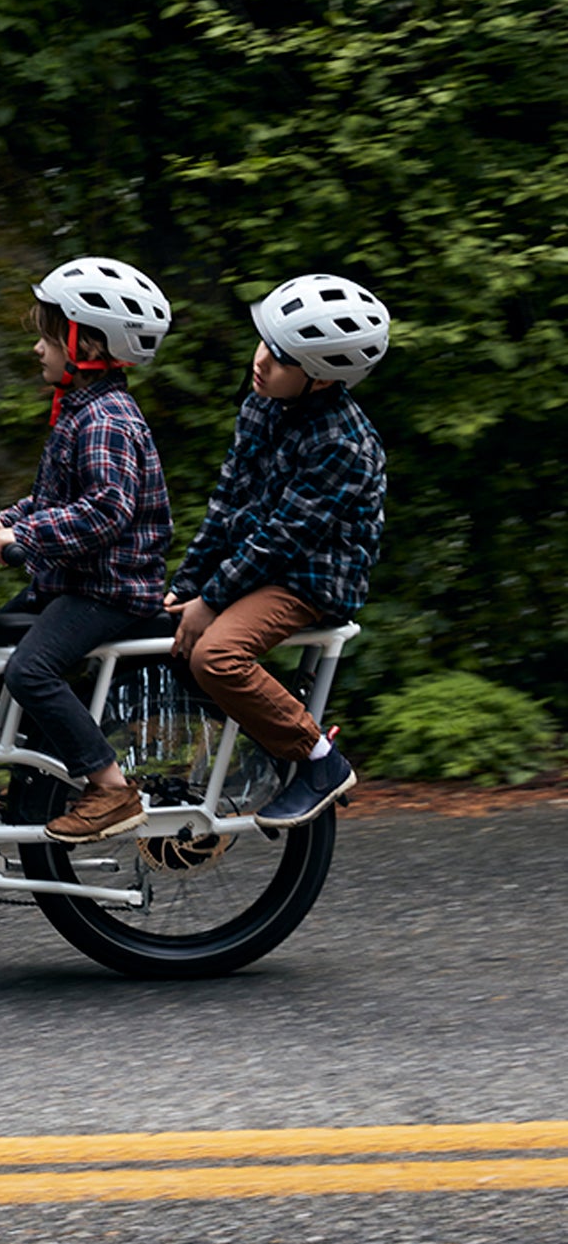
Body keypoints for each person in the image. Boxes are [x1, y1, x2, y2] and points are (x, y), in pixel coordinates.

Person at [164, 273, 390, 828]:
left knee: (216, 655)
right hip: (256, 564)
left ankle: (321, 762)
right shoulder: (262, 405)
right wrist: (186, 586)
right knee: (163, 623)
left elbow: (282, 540)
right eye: (265, 341)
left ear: (320, 379)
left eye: (282, 358)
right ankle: (248, 742)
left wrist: (212, 600)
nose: (262, 361)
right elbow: (226, 505)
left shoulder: (343, 443)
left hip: (310, 579)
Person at [0, 257, 173, 842]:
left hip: (110, 589)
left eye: (47, 336)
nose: (38, 349)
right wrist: (4, 520)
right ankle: (39, 775)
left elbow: (105, 510)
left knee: (31, 670)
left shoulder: (107, 419)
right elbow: (56, 497)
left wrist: (26, 537)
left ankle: (110, 789)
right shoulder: (82, 410)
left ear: (86, 343)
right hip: (80, 582)